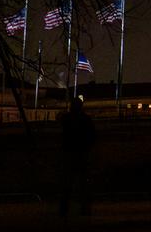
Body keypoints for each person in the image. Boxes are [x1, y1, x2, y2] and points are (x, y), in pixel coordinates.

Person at [57, 92, 95, 220]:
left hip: (69, 154)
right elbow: (92, 137)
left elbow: (60, 122)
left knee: (67, 184)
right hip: (82, 154)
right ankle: (84, 209)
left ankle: (64, 209)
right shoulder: (86, 119)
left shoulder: (66, 119)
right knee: (83, 184)